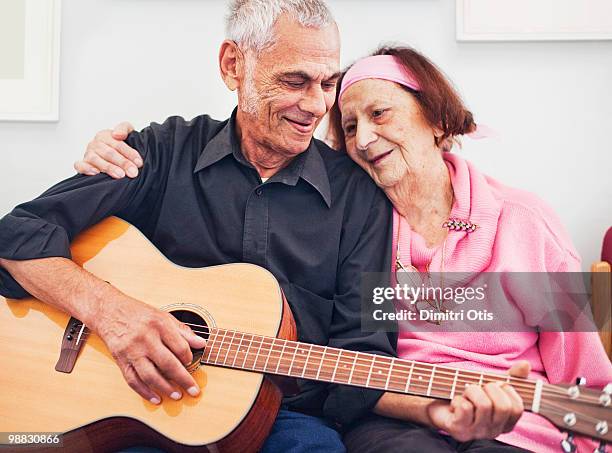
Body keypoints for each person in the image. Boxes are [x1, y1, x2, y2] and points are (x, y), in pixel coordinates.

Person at [80, 45, 612, 453]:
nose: (360, 139)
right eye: (350, 126)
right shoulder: (365, 218)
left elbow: (583, 366)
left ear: (438, 118)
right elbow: (356, 359)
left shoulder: (523, 219)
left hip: (520, 419)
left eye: (380, 115)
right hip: (398, 415)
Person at [0, 2, 396, 452]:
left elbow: (369, 348)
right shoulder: (158, 152)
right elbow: (18, 233)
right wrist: (113, 315)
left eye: (328, 83)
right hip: (133, 407)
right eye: (294, 81)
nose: (316, 105)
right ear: (234, 66)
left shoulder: (362, 199)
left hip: (283, 421)